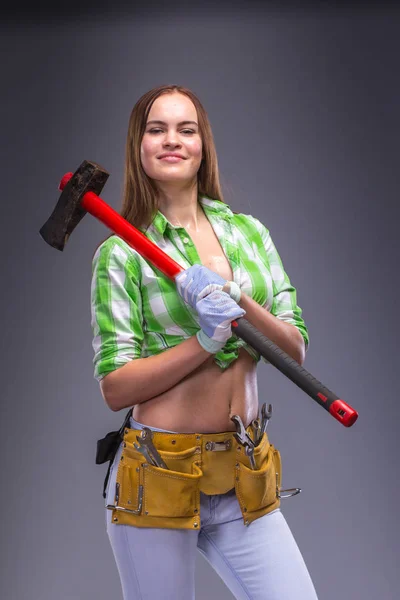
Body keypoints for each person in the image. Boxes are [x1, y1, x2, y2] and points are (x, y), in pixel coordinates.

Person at [90, 84, 319, 600]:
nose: (172, 140)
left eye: (185, 129)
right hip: (159, 473)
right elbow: (116, 386)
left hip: (243, 472)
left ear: (202, 144)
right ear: (139, 146)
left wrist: (238, 299)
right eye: (157, 129)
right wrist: (205, 340)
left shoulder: (249, 234)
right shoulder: (121, 253)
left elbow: (295, 347)